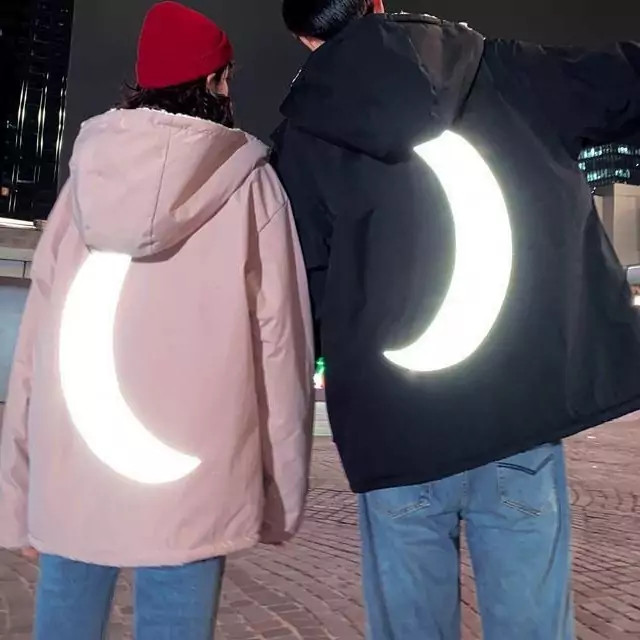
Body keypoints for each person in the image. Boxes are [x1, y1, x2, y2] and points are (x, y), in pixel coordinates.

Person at [271, 1, 640, 638]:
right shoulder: (501, 69)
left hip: (396, 430)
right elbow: (625, 83)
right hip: (514, 415)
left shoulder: (303, 139)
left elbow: (304, 289)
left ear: (306, 39)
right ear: (376, 2)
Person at [0, 2, 314, 638]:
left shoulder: (83, 186)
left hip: (75, 472)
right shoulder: (250, 188)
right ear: (212, 82)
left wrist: (18, 498)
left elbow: (34, 351)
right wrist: (281, 495)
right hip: (192, 480)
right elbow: (281, 349)